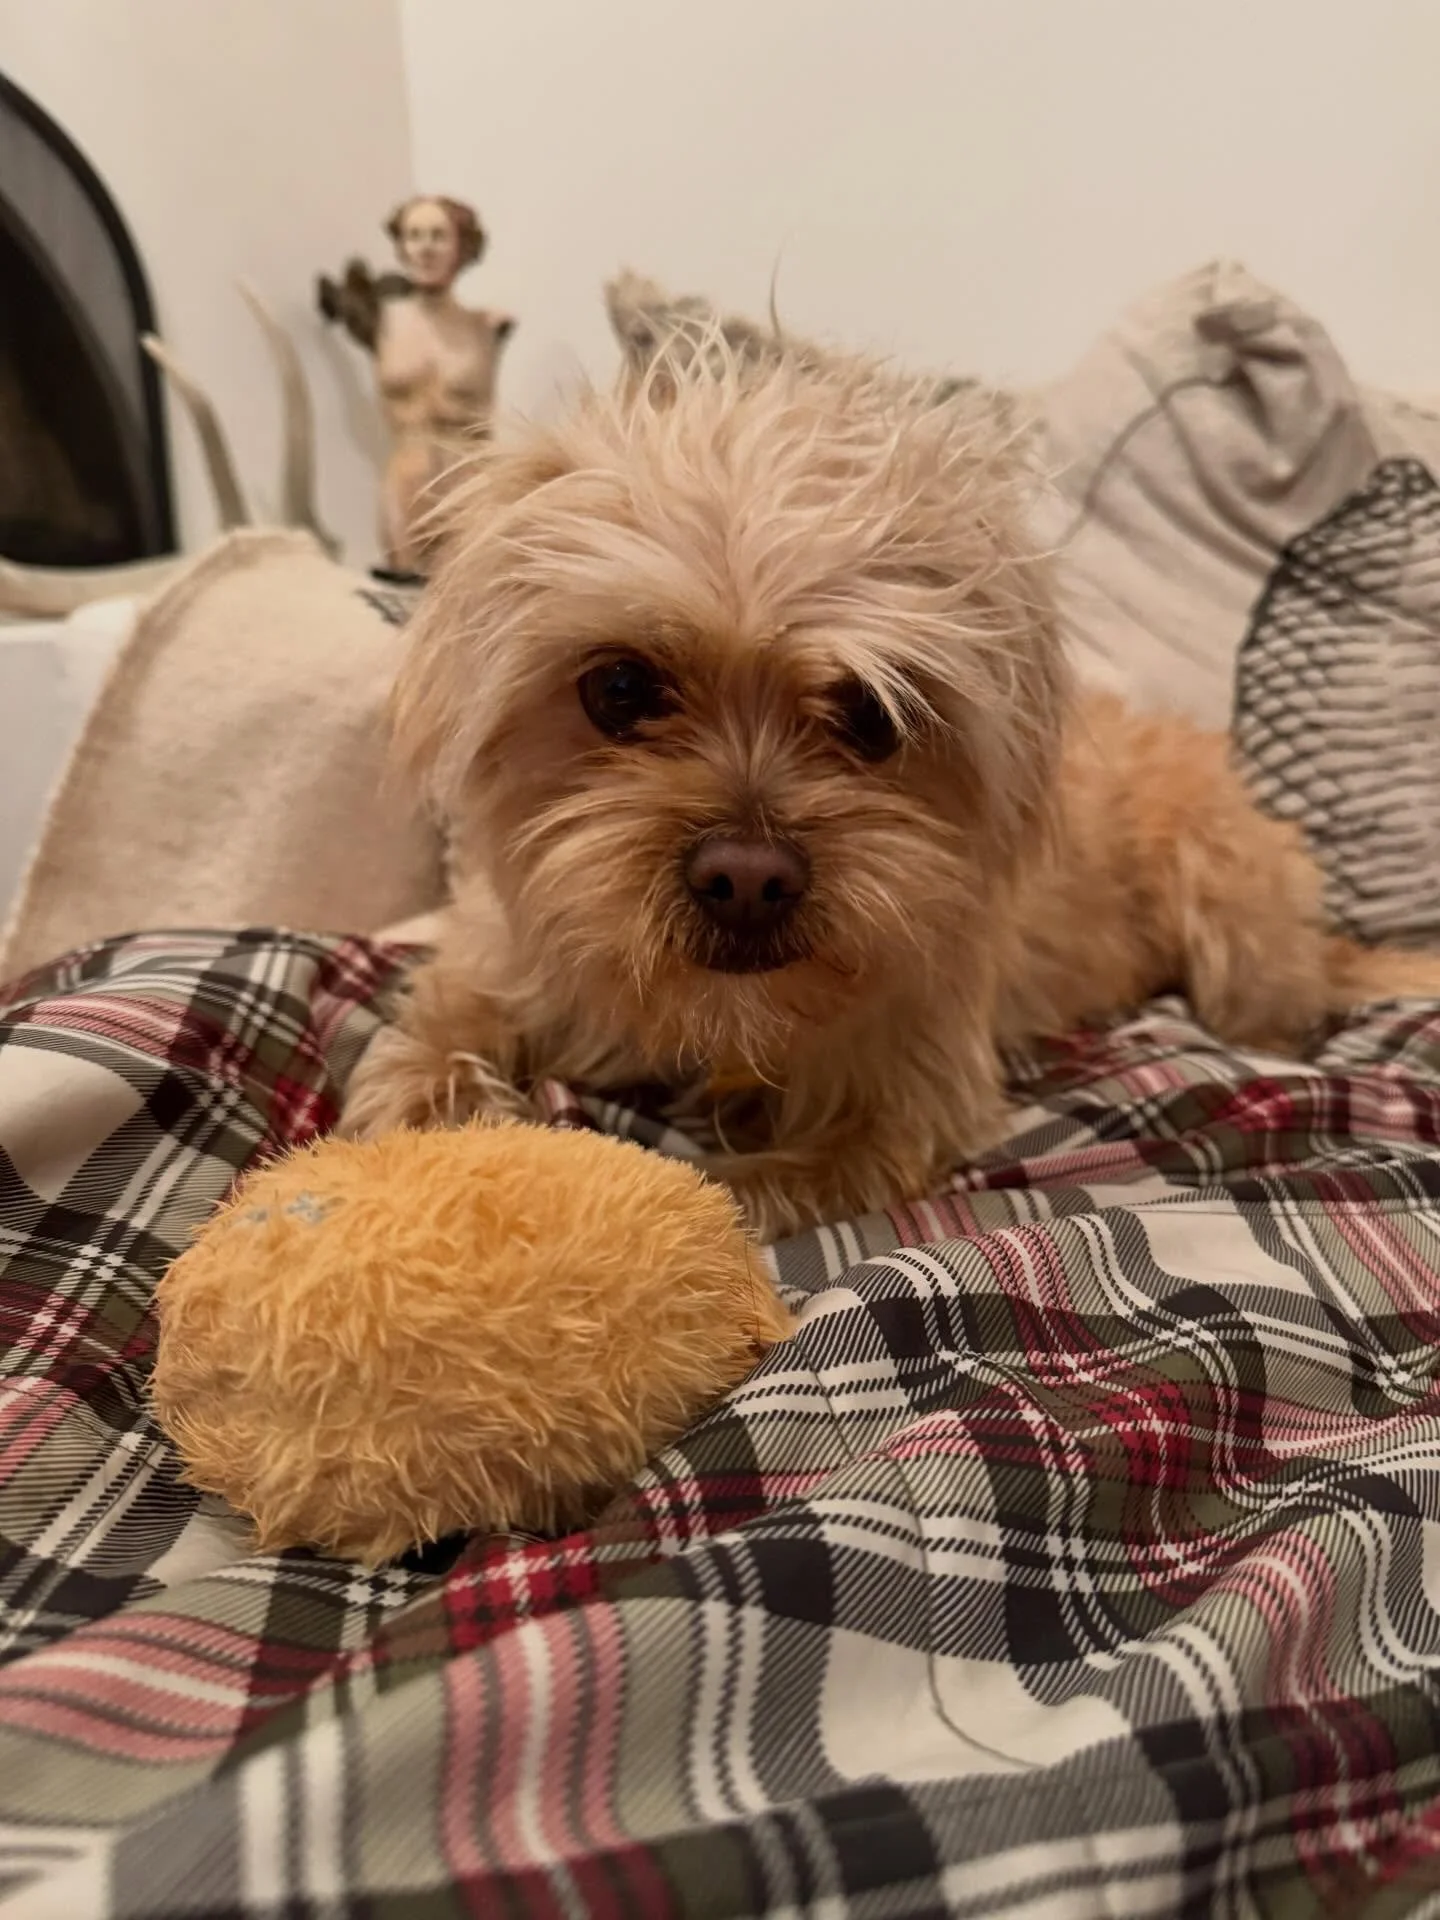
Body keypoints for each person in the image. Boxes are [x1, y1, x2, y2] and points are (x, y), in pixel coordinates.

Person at [318, 195, 514, 574]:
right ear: (401, 245)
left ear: (462, 245)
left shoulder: (488, 325)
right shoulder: (381, 320)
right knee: (405, 601)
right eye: (414, 235)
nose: (425, 247)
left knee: (474, 594)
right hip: (407, 484)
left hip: (472, 483)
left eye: (438, 236)